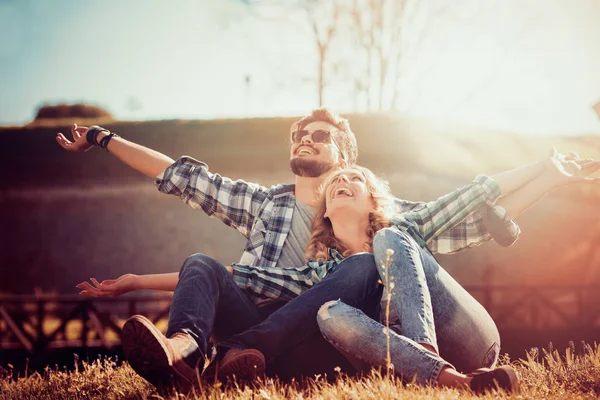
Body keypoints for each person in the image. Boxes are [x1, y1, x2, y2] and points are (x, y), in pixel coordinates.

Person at [60, 108, 530, 390]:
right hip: (255, 343)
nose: (306, 138)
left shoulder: (377, 209)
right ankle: (183, 355)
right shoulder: (264, 203)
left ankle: (228, 359)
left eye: (319, 134)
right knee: (201, 263)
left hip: (330, 339)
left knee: (362, 266)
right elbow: (182, 178)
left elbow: (466, 219)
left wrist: (546, 179)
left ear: (344, 152)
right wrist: (103, 138)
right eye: (299, 134)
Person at [209, 154, 598, 394]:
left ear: (373, 198)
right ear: (324, 210)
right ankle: (457, 383)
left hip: (465, 336)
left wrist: (545, 169)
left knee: (390, 238)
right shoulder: (323, 271)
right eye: (335, 184)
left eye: (355, 179)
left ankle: (423, 350)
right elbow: (251, 278)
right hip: (413, 364)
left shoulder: (406, 226)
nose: (343, 182)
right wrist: (172, 279)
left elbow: (473, 194)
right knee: (329, 312)